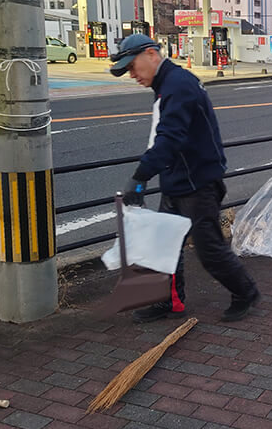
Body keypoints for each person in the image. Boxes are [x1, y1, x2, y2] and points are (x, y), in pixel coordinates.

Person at [109, 34, 260, 323]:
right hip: (178, 180)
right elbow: (166, 138)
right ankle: (169, 301)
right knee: (164, 245)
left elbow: (170, 138)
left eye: (132, 66)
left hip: (197, 184)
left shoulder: (178, 85)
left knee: (209, 249)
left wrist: (140, 177)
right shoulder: (168, 83)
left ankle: (245, 292)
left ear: (151, 54)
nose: (132, 74)